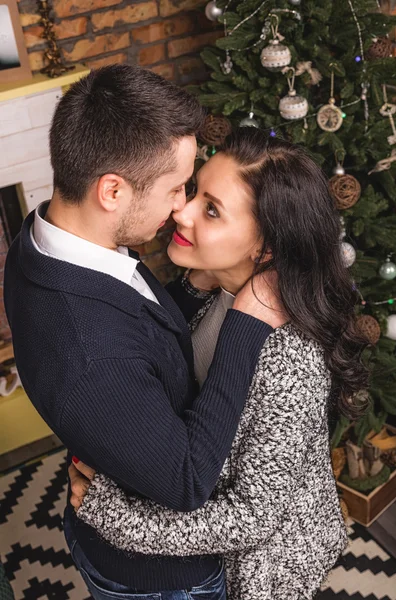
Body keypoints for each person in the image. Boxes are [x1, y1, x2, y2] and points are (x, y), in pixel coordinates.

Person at [3, 66, 282, 600]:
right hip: (161, 579)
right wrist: (247, 324)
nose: (182, 206)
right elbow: (186, 480)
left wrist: (194, 288)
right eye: (177, 188)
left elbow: (135, 328)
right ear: (112, 190)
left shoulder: (41, 239)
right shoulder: (89, 355)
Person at [69, 130, 369, 600]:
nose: (180, 211)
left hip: (257, 572)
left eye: (211, 210)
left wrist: (121, 519)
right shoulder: (216, 294)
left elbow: (251, 516)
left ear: (264, 248)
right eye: (194, 192)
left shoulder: (291, 358)